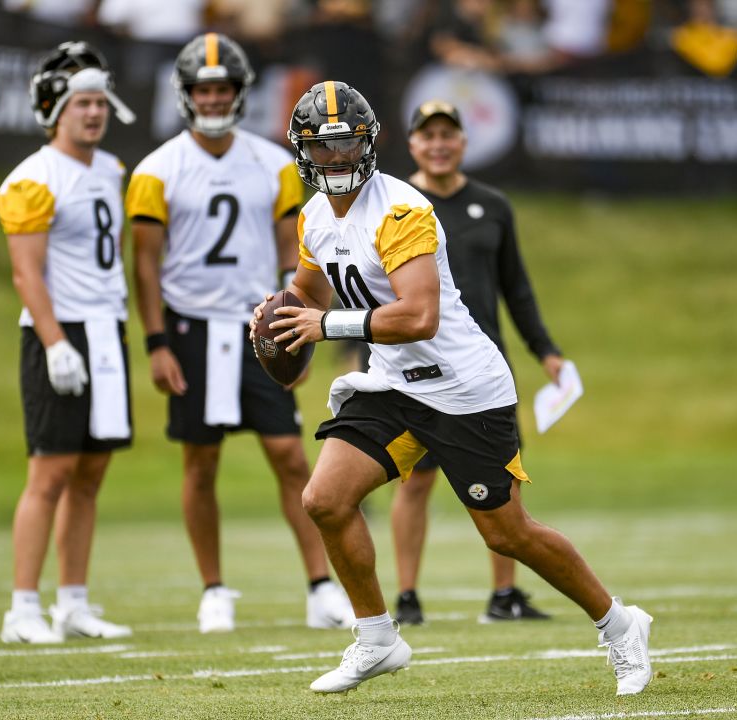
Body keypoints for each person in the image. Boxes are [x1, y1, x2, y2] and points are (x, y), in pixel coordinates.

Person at [251, 80, 653, 695]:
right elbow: (308, 291)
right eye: (322, 147)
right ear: (303, 150)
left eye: (345, 145)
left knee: (507, 533)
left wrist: (324, 325)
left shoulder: (401, 210)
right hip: (392, 384)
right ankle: (377, 637)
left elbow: (419, 317)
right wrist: (280, 314)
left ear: (369, 145)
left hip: (463, 387)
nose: (334, 159)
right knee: (325, 499)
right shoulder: (312, 216)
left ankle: (621, 624)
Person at [125, 33, 354, 634]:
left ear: (240, 91)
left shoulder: (276, 163)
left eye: (223, 86)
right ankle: (214, 589)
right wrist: (155, 342)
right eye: (204, 88)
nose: (213, 97)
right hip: (191, 326)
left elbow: (292, 254)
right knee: (200, 461)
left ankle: (320, 584)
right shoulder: (156, 170)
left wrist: (296, 324)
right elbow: (144, 264)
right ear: (186, 94)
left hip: (260, 324)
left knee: (288, 456)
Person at [388, 99, 564, 626]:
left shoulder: (492, 204)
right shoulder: (398, 205)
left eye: (448, 134)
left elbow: (516, 287)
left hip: (484, 368)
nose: (438, 144)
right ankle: (407, 597)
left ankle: (504, 596)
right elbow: (374, 285)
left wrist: (546, 351)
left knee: (501, 479)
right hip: (418, 365)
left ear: (463, 141)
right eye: (427, 135)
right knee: (415, 479)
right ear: (412, 143)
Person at [0, 41, 138, 643]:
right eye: (82, 102)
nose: (94, 112)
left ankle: (72, 602)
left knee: (90, 474)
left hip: (107, 330)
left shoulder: (109, 169)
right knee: (48, 473)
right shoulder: (32, 177)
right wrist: (55, 342)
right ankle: (22, 608)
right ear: (55, 108)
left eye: (100, 101)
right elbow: (26, 272)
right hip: (63, 331)